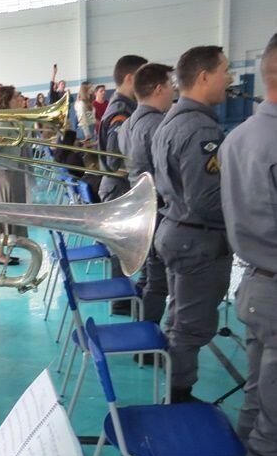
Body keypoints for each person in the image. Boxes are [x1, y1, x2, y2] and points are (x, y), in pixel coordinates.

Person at [220, 33, 277, 456]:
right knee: (275, 419)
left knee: (259, 400)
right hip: (273, 289)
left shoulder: (238, 135)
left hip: (256, 285)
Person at [151, 45, 234, 404]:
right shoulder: (200, 130)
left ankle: (175, 385)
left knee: (179, 319)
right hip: (197, 240)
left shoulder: (170, 119)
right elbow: (206, 201)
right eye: (224, 72)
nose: (229, 79)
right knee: (190, 326)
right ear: (203, 77)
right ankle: (179, 397)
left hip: (176, 230)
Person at [118, 63, 175, 328]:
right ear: (159, 89)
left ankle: (139, 324)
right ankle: (146, 339)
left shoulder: (128, 124)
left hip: (141, 206)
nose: (173, 92)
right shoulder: (158, 125)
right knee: (158, 281)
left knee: (149, 275)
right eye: (170, 86)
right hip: (157, 208)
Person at [97, 54, 148, 314]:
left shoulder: (123, 105)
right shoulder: (121, 109)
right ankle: (122, 301)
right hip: (118, 186)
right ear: (130, 78)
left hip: (116, 185)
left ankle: (123, 300)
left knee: (123, 245)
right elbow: (119, 156)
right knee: (124, 246)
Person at [0, 85, 27, 265]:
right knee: (1, 216)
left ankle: (2, 250)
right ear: (6, 101)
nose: (20, 99)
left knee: (8, 214)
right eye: (16, 97)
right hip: (2, 174)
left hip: (11, 171)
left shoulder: (11, 120)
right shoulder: (1, 122)